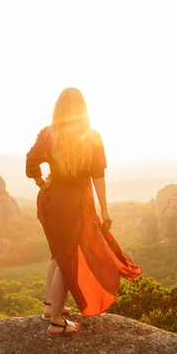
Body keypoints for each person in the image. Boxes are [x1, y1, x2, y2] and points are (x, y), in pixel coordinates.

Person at [26, 87, 142, 337]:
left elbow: (30, 161)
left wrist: (43, 184)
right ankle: (56, 322)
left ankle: (50, 308)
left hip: (52, 201)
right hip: (75, 202)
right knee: (70, 260)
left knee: (58, 255)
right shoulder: (91, 136)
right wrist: (105, 208)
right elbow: (98, 175)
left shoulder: (48, 133)